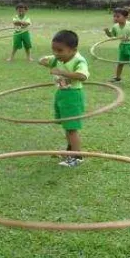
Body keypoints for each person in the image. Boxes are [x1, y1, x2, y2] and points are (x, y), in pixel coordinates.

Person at [38, 30, 89, 168]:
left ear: (73, 50)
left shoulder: (79, 60)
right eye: (53, 50)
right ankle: (70, 150)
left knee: (72, 128)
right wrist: (43, 61)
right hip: (62, 95)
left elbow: (83, 76)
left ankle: (77, 157)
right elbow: (44, 60)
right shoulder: (58, 58)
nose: (56, 53)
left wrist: (61, 72)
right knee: (67, 127)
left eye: (60, 50)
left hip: (73, 96)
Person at [105, 7, 130, 86]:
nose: (115, 18)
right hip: (123, 46)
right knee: (120, 63)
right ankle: (117, 78)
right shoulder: (115, 26)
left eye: (118, 16)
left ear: (125, 17)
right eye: (114, 16)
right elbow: (111, 35)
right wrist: (106, 31)